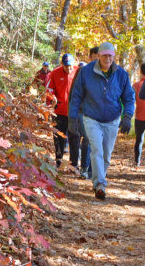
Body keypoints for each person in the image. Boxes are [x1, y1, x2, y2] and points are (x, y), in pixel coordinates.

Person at [67, 42, 135, 200]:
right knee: (96, 149)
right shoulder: (86, 72)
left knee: (106, 154)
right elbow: (76, 96)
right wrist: (72, 118)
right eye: (105, 55)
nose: (108, 58)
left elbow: (129, 97)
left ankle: (99, 181)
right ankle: (100, 184)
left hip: (112, 120)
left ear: (114, 56)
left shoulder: (121, 75)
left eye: (111, 55)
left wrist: (127, 116)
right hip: (91, 118)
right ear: (98, 55)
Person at [47, 53, 79, 170]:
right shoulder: (55, 73)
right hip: (59, 111)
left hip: (74, 112)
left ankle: (74, 163)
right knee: (58, 137)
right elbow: (49, 90)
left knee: (74, 137)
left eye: (70, 65)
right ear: (62, 64)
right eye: (66, 66)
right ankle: (58, 160)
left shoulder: (78, 72)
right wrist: (52, 99)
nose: (69, 68)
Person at [76, 46, 100, 179]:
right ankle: (85, 168)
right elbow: (75, 92)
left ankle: (92, 169)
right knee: (88, 139)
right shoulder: (82, 71)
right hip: (83, 111)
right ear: (90, 57)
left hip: (99, 113)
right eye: (94, 58)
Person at [132, 62, 145, 167]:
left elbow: (131, 100)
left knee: (139, 140)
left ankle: (137, 161)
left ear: (140, 72)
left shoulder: (135, 86)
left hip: (139, 116)